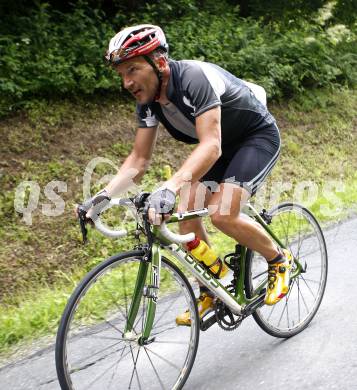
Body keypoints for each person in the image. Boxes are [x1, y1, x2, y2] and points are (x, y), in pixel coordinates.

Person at [81, 24, 293, 325]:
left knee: (222, 213)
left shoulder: (193, 78)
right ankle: (212, 284)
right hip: (219, 146)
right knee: (186, 211)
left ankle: (278, 259)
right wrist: (101, 199)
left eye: (133, 69)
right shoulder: (149, 103)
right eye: (121, 75)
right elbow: (139, 160)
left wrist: (169, 185)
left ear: (160, 62)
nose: (127, 82)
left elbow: (211, 144)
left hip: (254, 138)